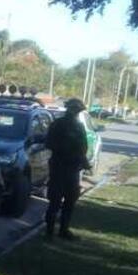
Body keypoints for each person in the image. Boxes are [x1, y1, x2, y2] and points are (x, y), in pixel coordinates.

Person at [44, 98, 90, 240]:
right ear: (69, 110)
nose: (75, 113)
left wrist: (84, 161)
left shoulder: (79, 126)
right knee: (55, 201)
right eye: (75, 110)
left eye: (77, 111)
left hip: (73, 169)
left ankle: (64, 230)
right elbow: (49, 143)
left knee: (70, 201)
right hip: (59, 168)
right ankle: (49, 232)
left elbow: (83, 148)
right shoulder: (58, 125)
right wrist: (67, 150)